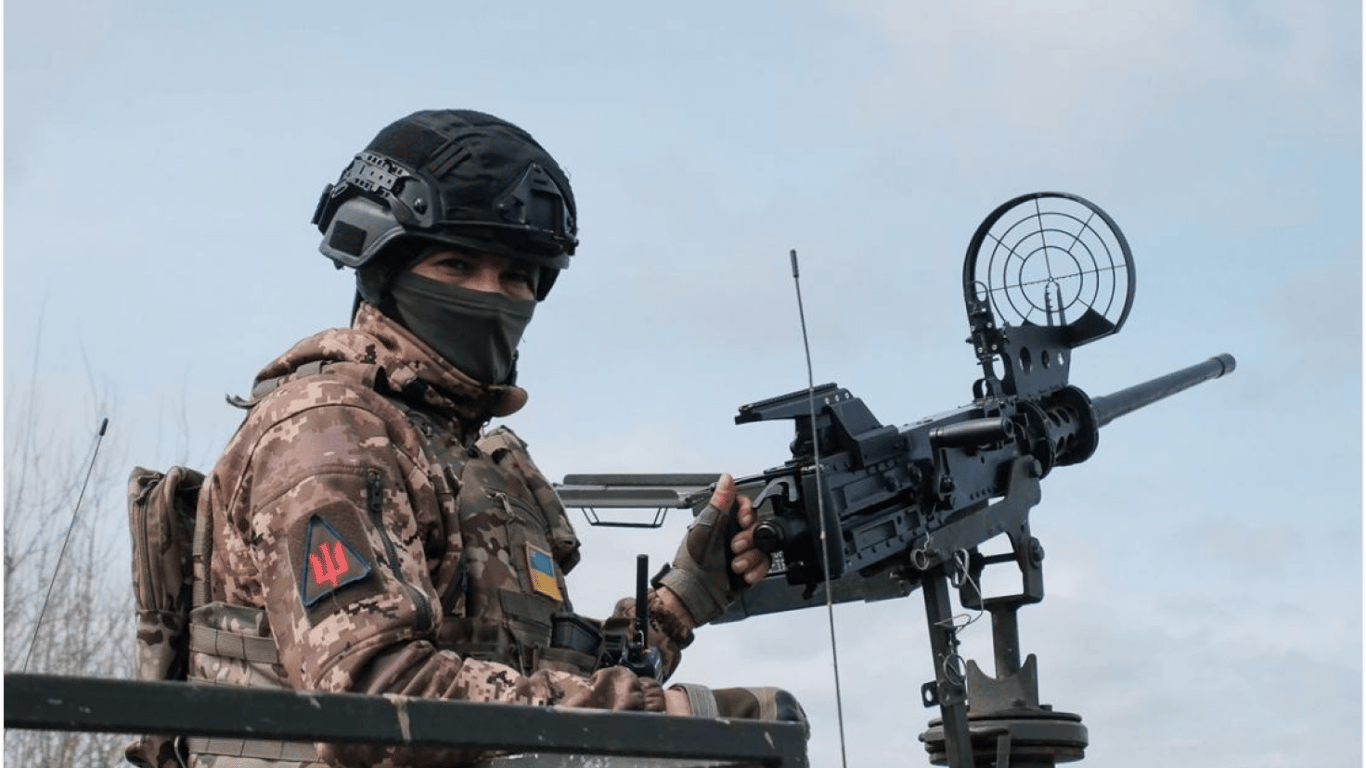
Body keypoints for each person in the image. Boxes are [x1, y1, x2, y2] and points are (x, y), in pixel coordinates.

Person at [185, 109, 804, 768]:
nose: (490, 296)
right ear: (384, 269)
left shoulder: (472, 461)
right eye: (456, 264)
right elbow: (370, 700)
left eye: (515, 277)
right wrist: (656, 716)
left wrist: (680, 601)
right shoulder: (326, 432)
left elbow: (544, 687)